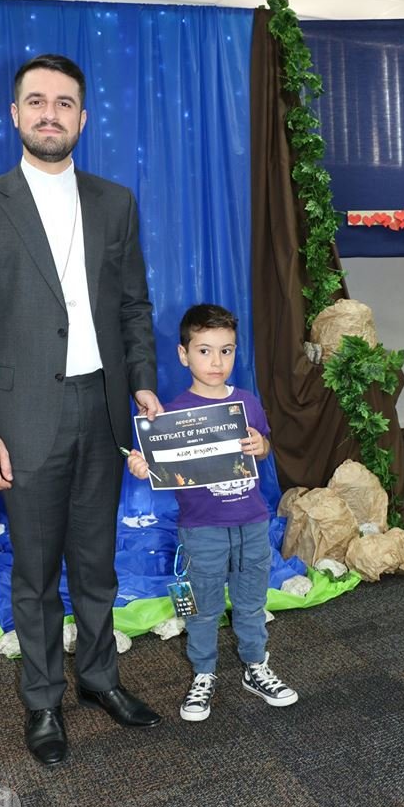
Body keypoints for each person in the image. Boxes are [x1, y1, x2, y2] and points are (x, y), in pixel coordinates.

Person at [0, 54, 163, 767]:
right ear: (15, 114)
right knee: (35, 573)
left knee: (96, 564)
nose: (49, 113)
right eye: (36, 101)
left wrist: (143, 382)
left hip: (101, 410)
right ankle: (42, 700)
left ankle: (100, 678)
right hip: (23, 419)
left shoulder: (115, 202)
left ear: (83, 117)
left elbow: (133, 306)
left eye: (63, 103)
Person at [128, 304, 298, 721]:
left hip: (252, 523)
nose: (216, 362)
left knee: (251, 601)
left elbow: (264, 449)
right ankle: (203, 673)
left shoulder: (247, 402)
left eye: (226, 350)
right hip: (201, 528)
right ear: (184, 354)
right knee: (202, 607)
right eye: (204, 351)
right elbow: (155, 466)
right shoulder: (169, 416)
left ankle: (255, 665)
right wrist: (141, 464)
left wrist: (261, 446)